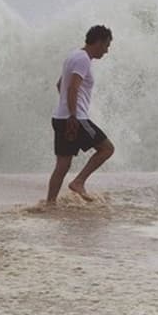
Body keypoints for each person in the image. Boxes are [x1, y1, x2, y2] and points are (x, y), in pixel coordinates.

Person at [46, 25, 115, 204]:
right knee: (107, 148)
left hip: (60, 117)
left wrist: (65, 109)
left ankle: (50, 204)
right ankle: (79, 182)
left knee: (62, 165)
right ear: (98, 42)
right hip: (76, 119)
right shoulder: (83, 59)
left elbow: (60, 85)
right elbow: (72, 87)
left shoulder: (73, 56)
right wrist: (73, 115)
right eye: (106, 46)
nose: (106, 51)